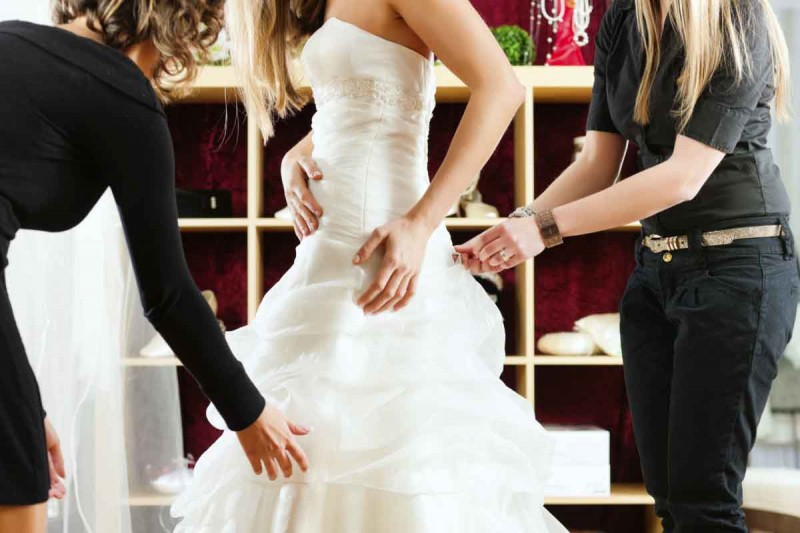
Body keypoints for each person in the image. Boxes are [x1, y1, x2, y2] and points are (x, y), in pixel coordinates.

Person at [171, 0, 566, 531]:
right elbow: (367, 95)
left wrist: (422, 222)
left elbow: (502, 88)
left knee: (398, 451)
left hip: (386, 250)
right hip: (328, 253)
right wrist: (298, 153)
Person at [458, 0, 797, 531]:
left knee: (701, 499)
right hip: (656, 274)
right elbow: (598, 164)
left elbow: (682, 177)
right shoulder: (621, 20)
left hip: (738, 270)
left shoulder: (736, 17)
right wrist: (518, 224)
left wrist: (543, 230)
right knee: (665, 493)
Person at [0, 2, 311, 531]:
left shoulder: (8, 38)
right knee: (19, 480)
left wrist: (27, 412)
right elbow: (167, 294)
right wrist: (249, 413)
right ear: (185, 26)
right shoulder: (122, 94)